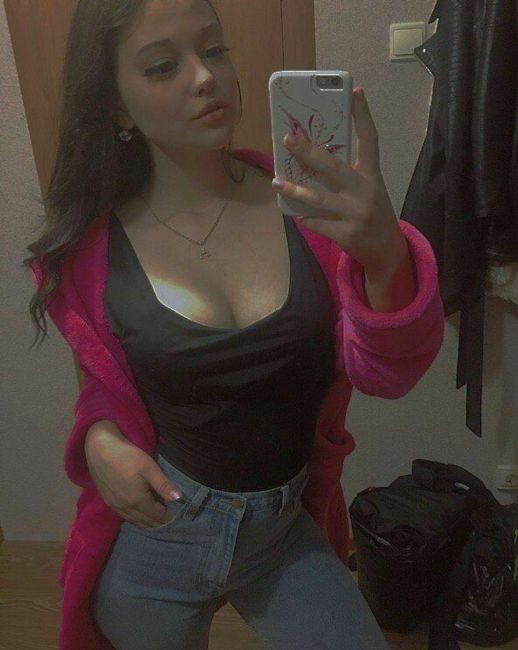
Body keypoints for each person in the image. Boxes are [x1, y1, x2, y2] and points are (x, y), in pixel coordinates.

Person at [25, 1, 445, 648]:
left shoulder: (313, 212)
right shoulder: (89, 253)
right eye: (162, 66)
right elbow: (110, 386)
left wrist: (386, 255)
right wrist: (98, 440)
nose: (204, 77)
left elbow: (386, 376)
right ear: (116, 107)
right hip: (159, 536)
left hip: (282, 534)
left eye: (213, 50)